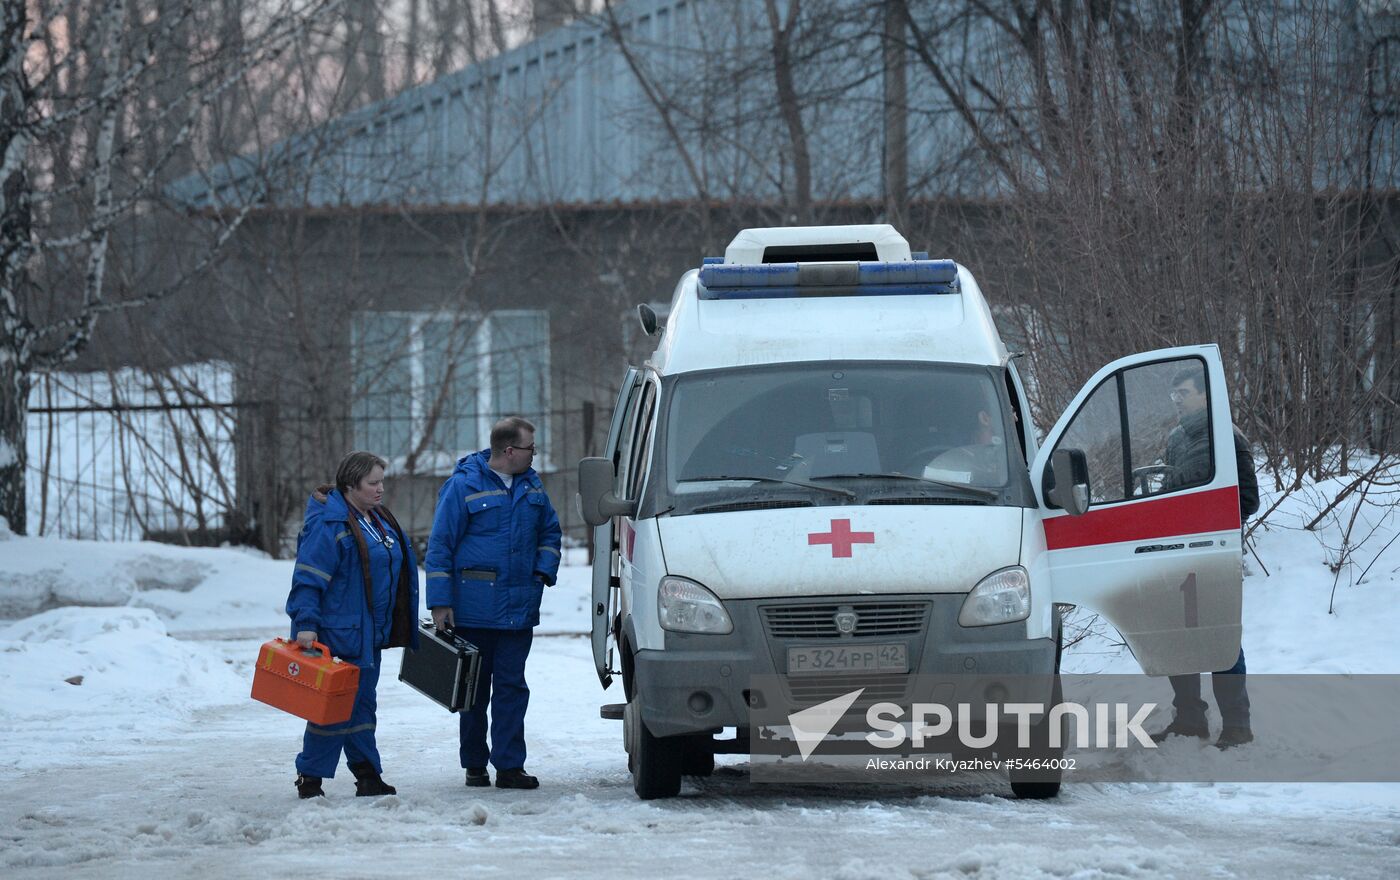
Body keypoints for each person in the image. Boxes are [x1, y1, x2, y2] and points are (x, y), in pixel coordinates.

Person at [425, 417, 562, 789]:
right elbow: (440, 546)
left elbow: (550, 531)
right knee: (474, 691)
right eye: (531, 447)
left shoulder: (532, 484)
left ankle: (509, 766)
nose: (535, 453)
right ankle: (474, 764)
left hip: (518, 610)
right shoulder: (463, 485)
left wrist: (542, 572)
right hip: (473, 611)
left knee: (512, 688)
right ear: (510, 450)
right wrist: (440, 602)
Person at [285, 451, 419, 798]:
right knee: (331, 708)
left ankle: (367, 774)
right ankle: (310, 777)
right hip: (337, 634)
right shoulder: (329, 525)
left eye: (382, 481)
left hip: (368, 634)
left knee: (362, 706)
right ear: (350, 485)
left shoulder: (376, 519)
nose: (380, 489)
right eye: (373, 483)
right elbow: (308, 579)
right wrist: (306, 623)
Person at [1151, 368, 1260, 749]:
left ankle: (1237, 725)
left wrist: (1204, 524)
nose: (1177, 400)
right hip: (1178, 556)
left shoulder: (1229, 438)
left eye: (1183, 392)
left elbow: (1248, 499)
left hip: (1213, 554)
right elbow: (1168, 492)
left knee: (1220, 638)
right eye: (1174, 394)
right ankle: (1189, 719)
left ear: (1205, 396)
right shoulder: (1177, 438)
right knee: (1178, 638)